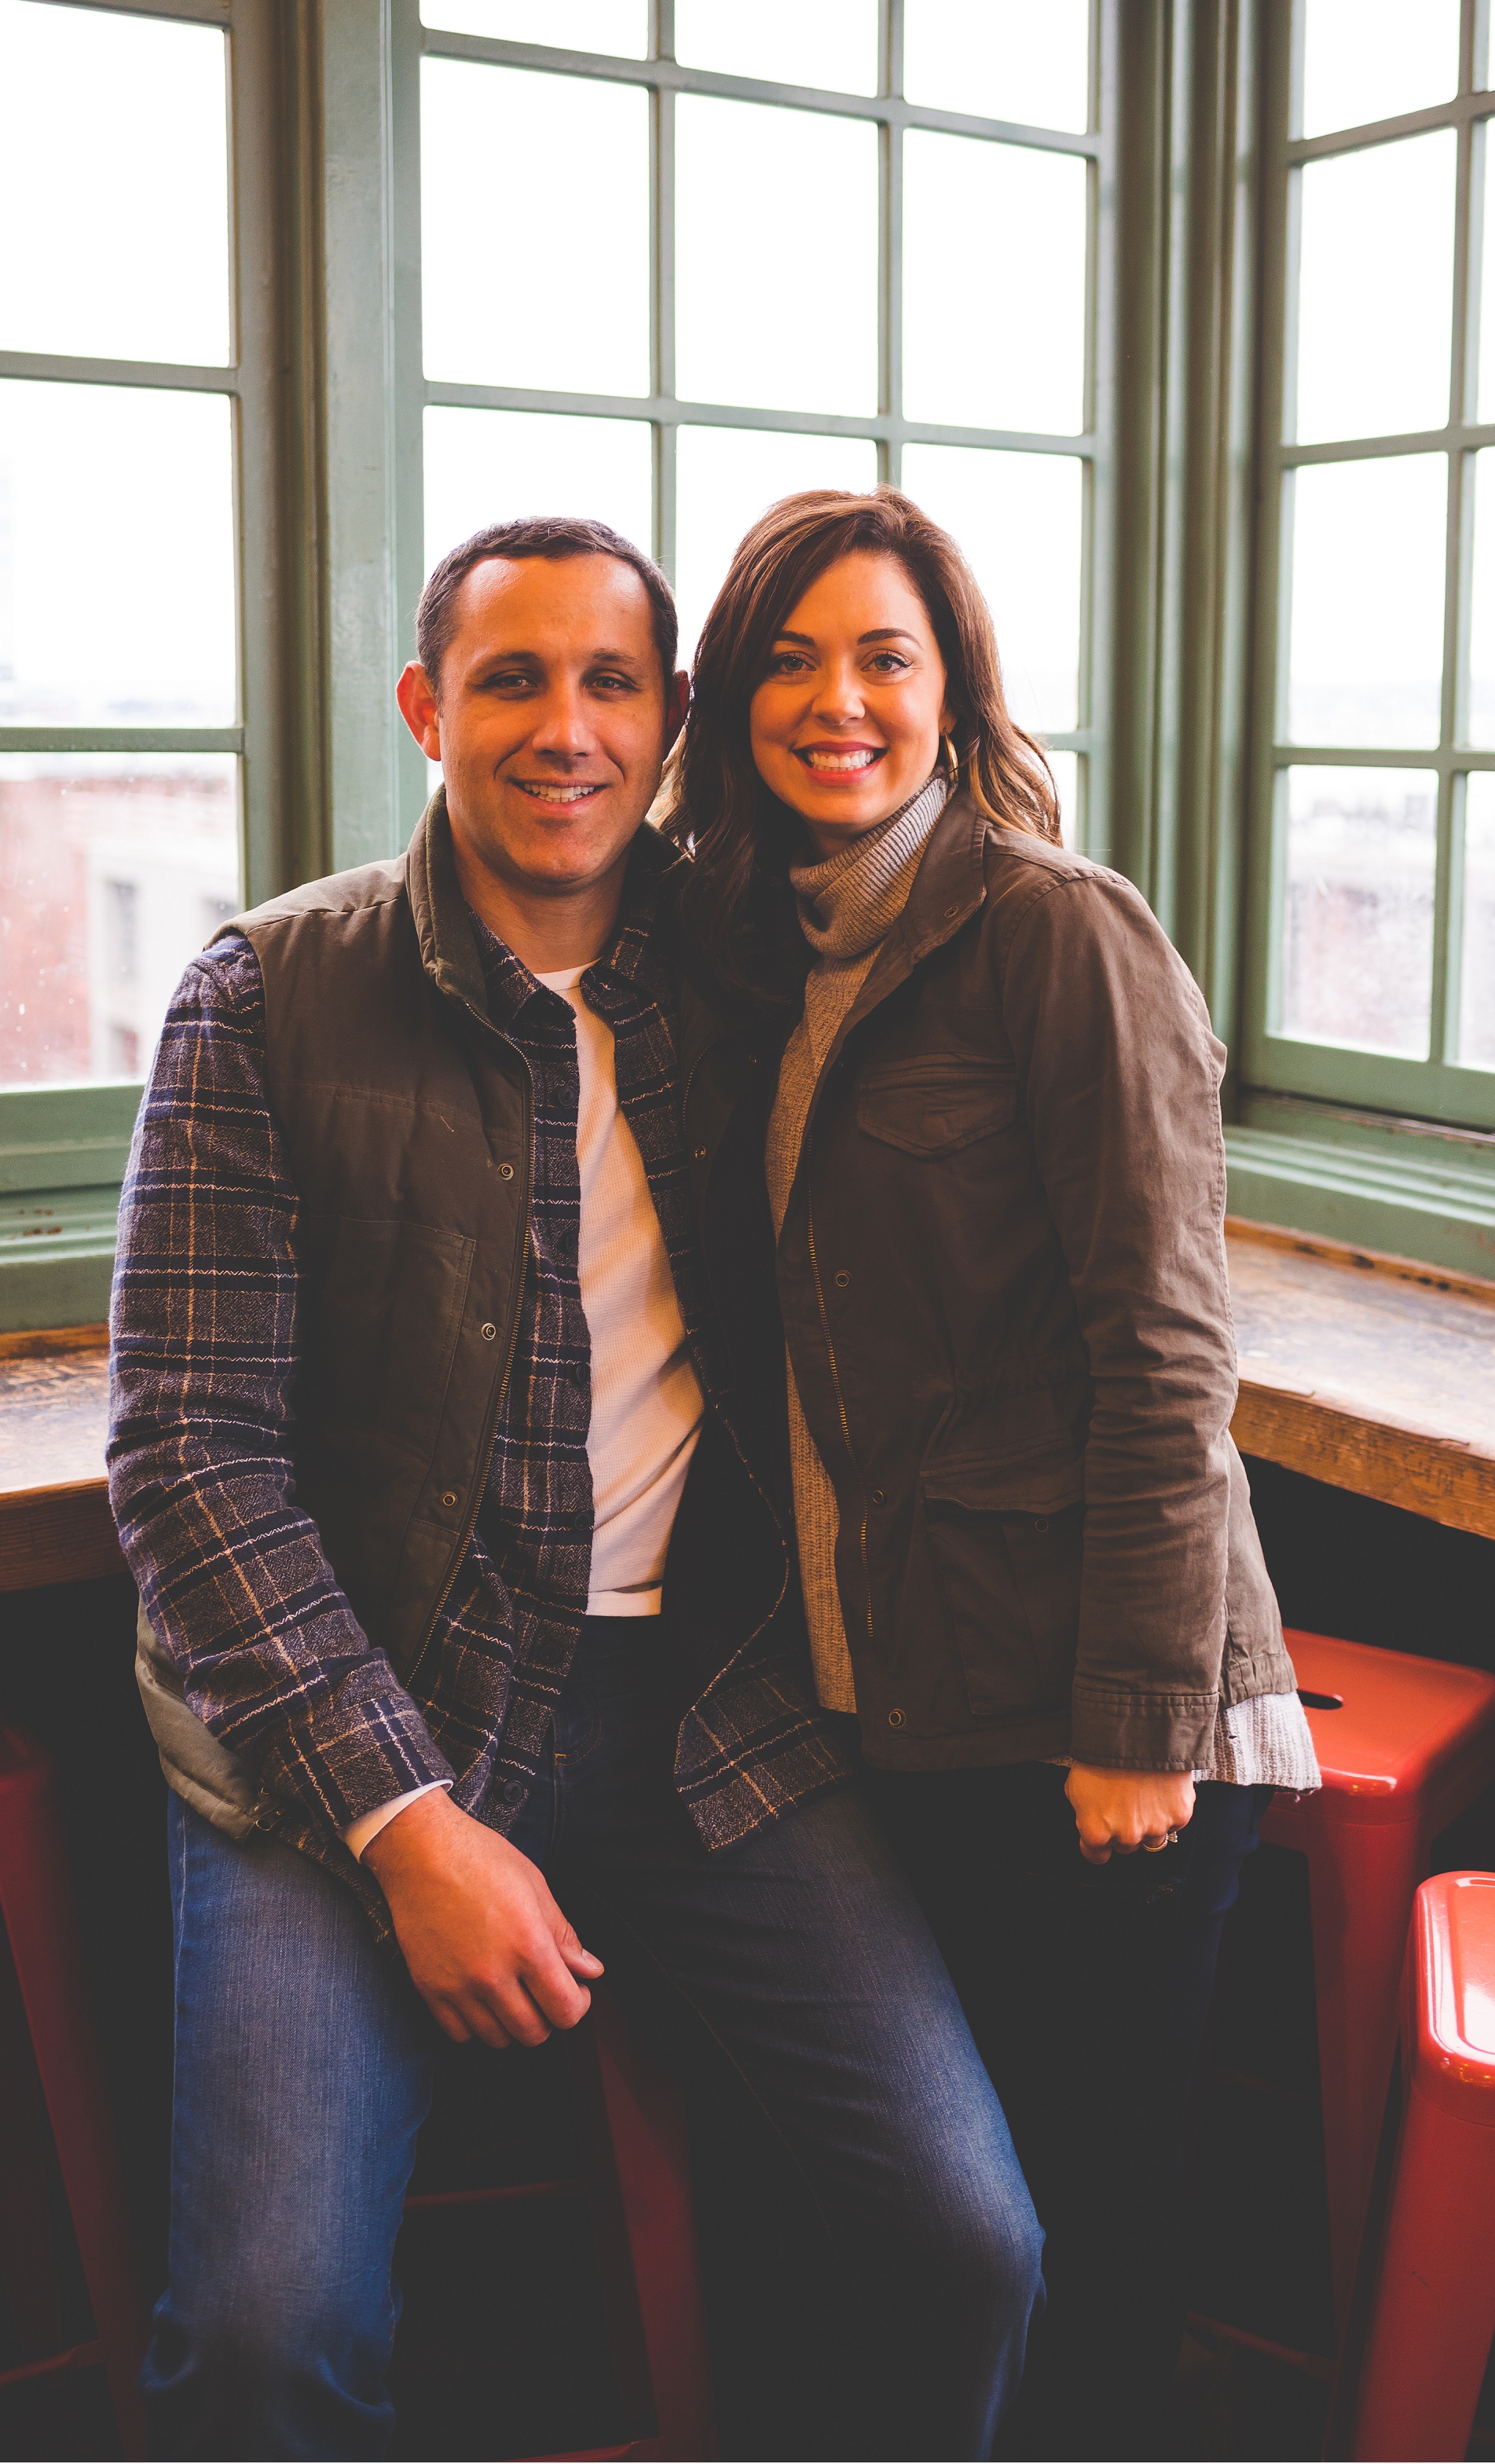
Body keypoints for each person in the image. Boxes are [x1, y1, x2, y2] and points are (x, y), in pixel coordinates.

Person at [108, 514, 1044, 2462]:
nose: (564, 728)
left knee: (963, 2243)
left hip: (699, 1708)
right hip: (351, 1733)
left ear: (671, 713)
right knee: (272, 2330)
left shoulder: (748, 969)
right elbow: (187, 1455)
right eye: (512, 679)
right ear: (424, 711)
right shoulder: (266, 996)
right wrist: (400, 1819)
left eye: (608, 681)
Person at [662, 487, 1321, 2462]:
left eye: (881, 655)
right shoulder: (760, 952)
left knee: (1089, 2230)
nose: (834, 698)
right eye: (786, 657)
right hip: (886, 1707)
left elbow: (1164, 1350)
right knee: (939, 2225)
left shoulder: (1053, 932)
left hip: (1077, 1716)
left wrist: (1134, 1716)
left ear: (952, 691)